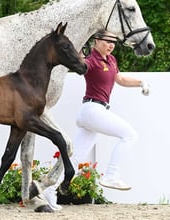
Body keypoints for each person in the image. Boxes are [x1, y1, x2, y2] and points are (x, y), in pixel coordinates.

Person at [43, 29, 150, 210]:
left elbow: (121, 79)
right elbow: (81, 66)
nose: (111, 45)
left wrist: (141, 82)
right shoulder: (91, 60)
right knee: (130, 135)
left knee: (76, 156)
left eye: (114, 42)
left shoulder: (112, 60)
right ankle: (111, 175)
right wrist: (77, 55)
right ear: (96, 41)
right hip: (92, 109)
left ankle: (50, 190)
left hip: (93, 112)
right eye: (107, 41)